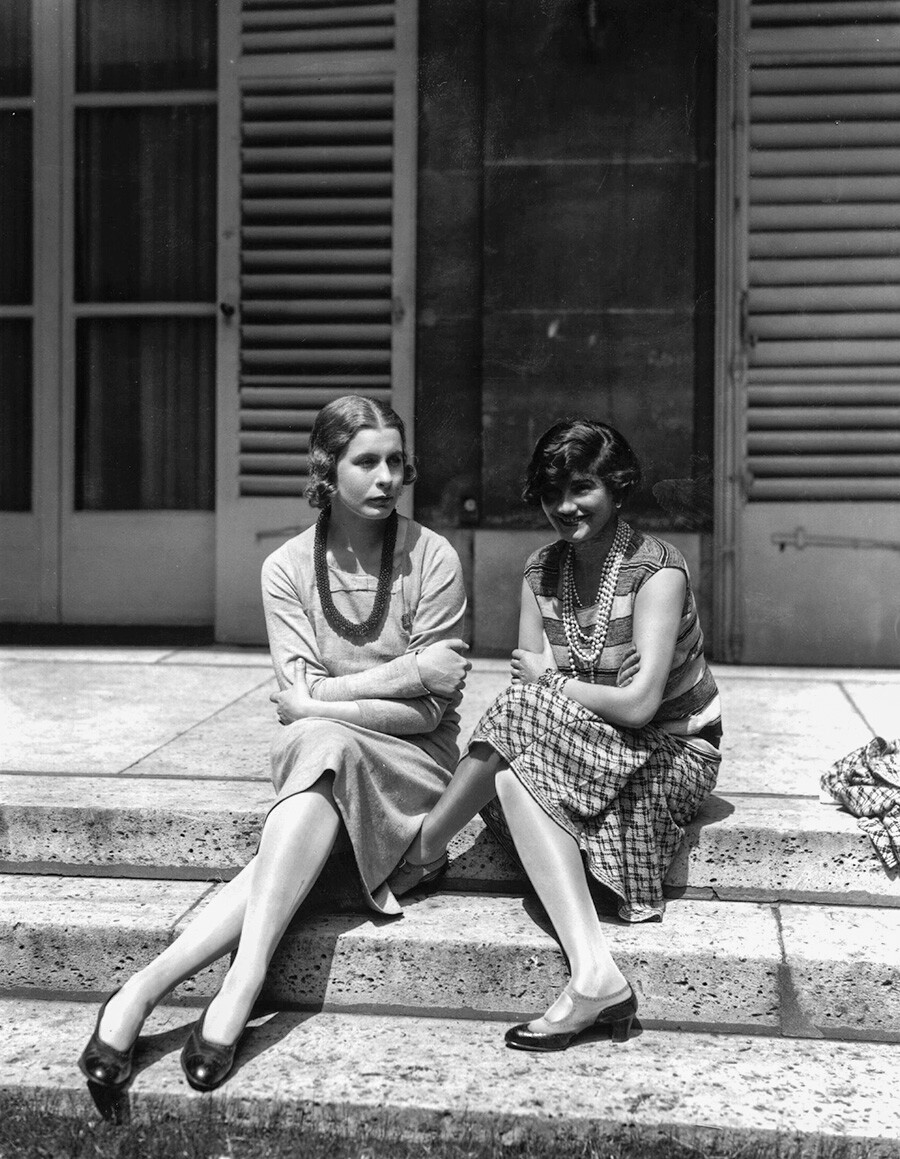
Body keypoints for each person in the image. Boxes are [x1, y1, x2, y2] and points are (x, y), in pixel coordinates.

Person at [78, 395, 470, 1093]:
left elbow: (431, 709)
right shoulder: (286, 568)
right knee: (322, 746)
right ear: (328, 468)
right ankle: (222, 981)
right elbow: (312, 708)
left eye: (395, 461)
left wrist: (330, 697)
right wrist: (400, 677)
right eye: (366, 461)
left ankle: (153, 986)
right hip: (323, 759)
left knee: (323, 739)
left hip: (414, 766)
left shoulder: (433, 557)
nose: (386, 477)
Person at [387, 418, 722, 1052]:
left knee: (518, 715)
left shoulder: (658, 573)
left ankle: (424, 847)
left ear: (617, 487)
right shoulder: (541, 571)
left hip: (674, 750)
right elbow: (541, 693)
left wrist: (555, 679)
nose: (565, 507)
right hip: (591, 741)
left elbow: (640, 704)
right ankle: (594, 974)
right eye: (551, 492)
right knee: (514, 756)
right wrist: (567, 687)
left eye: (583, 487)